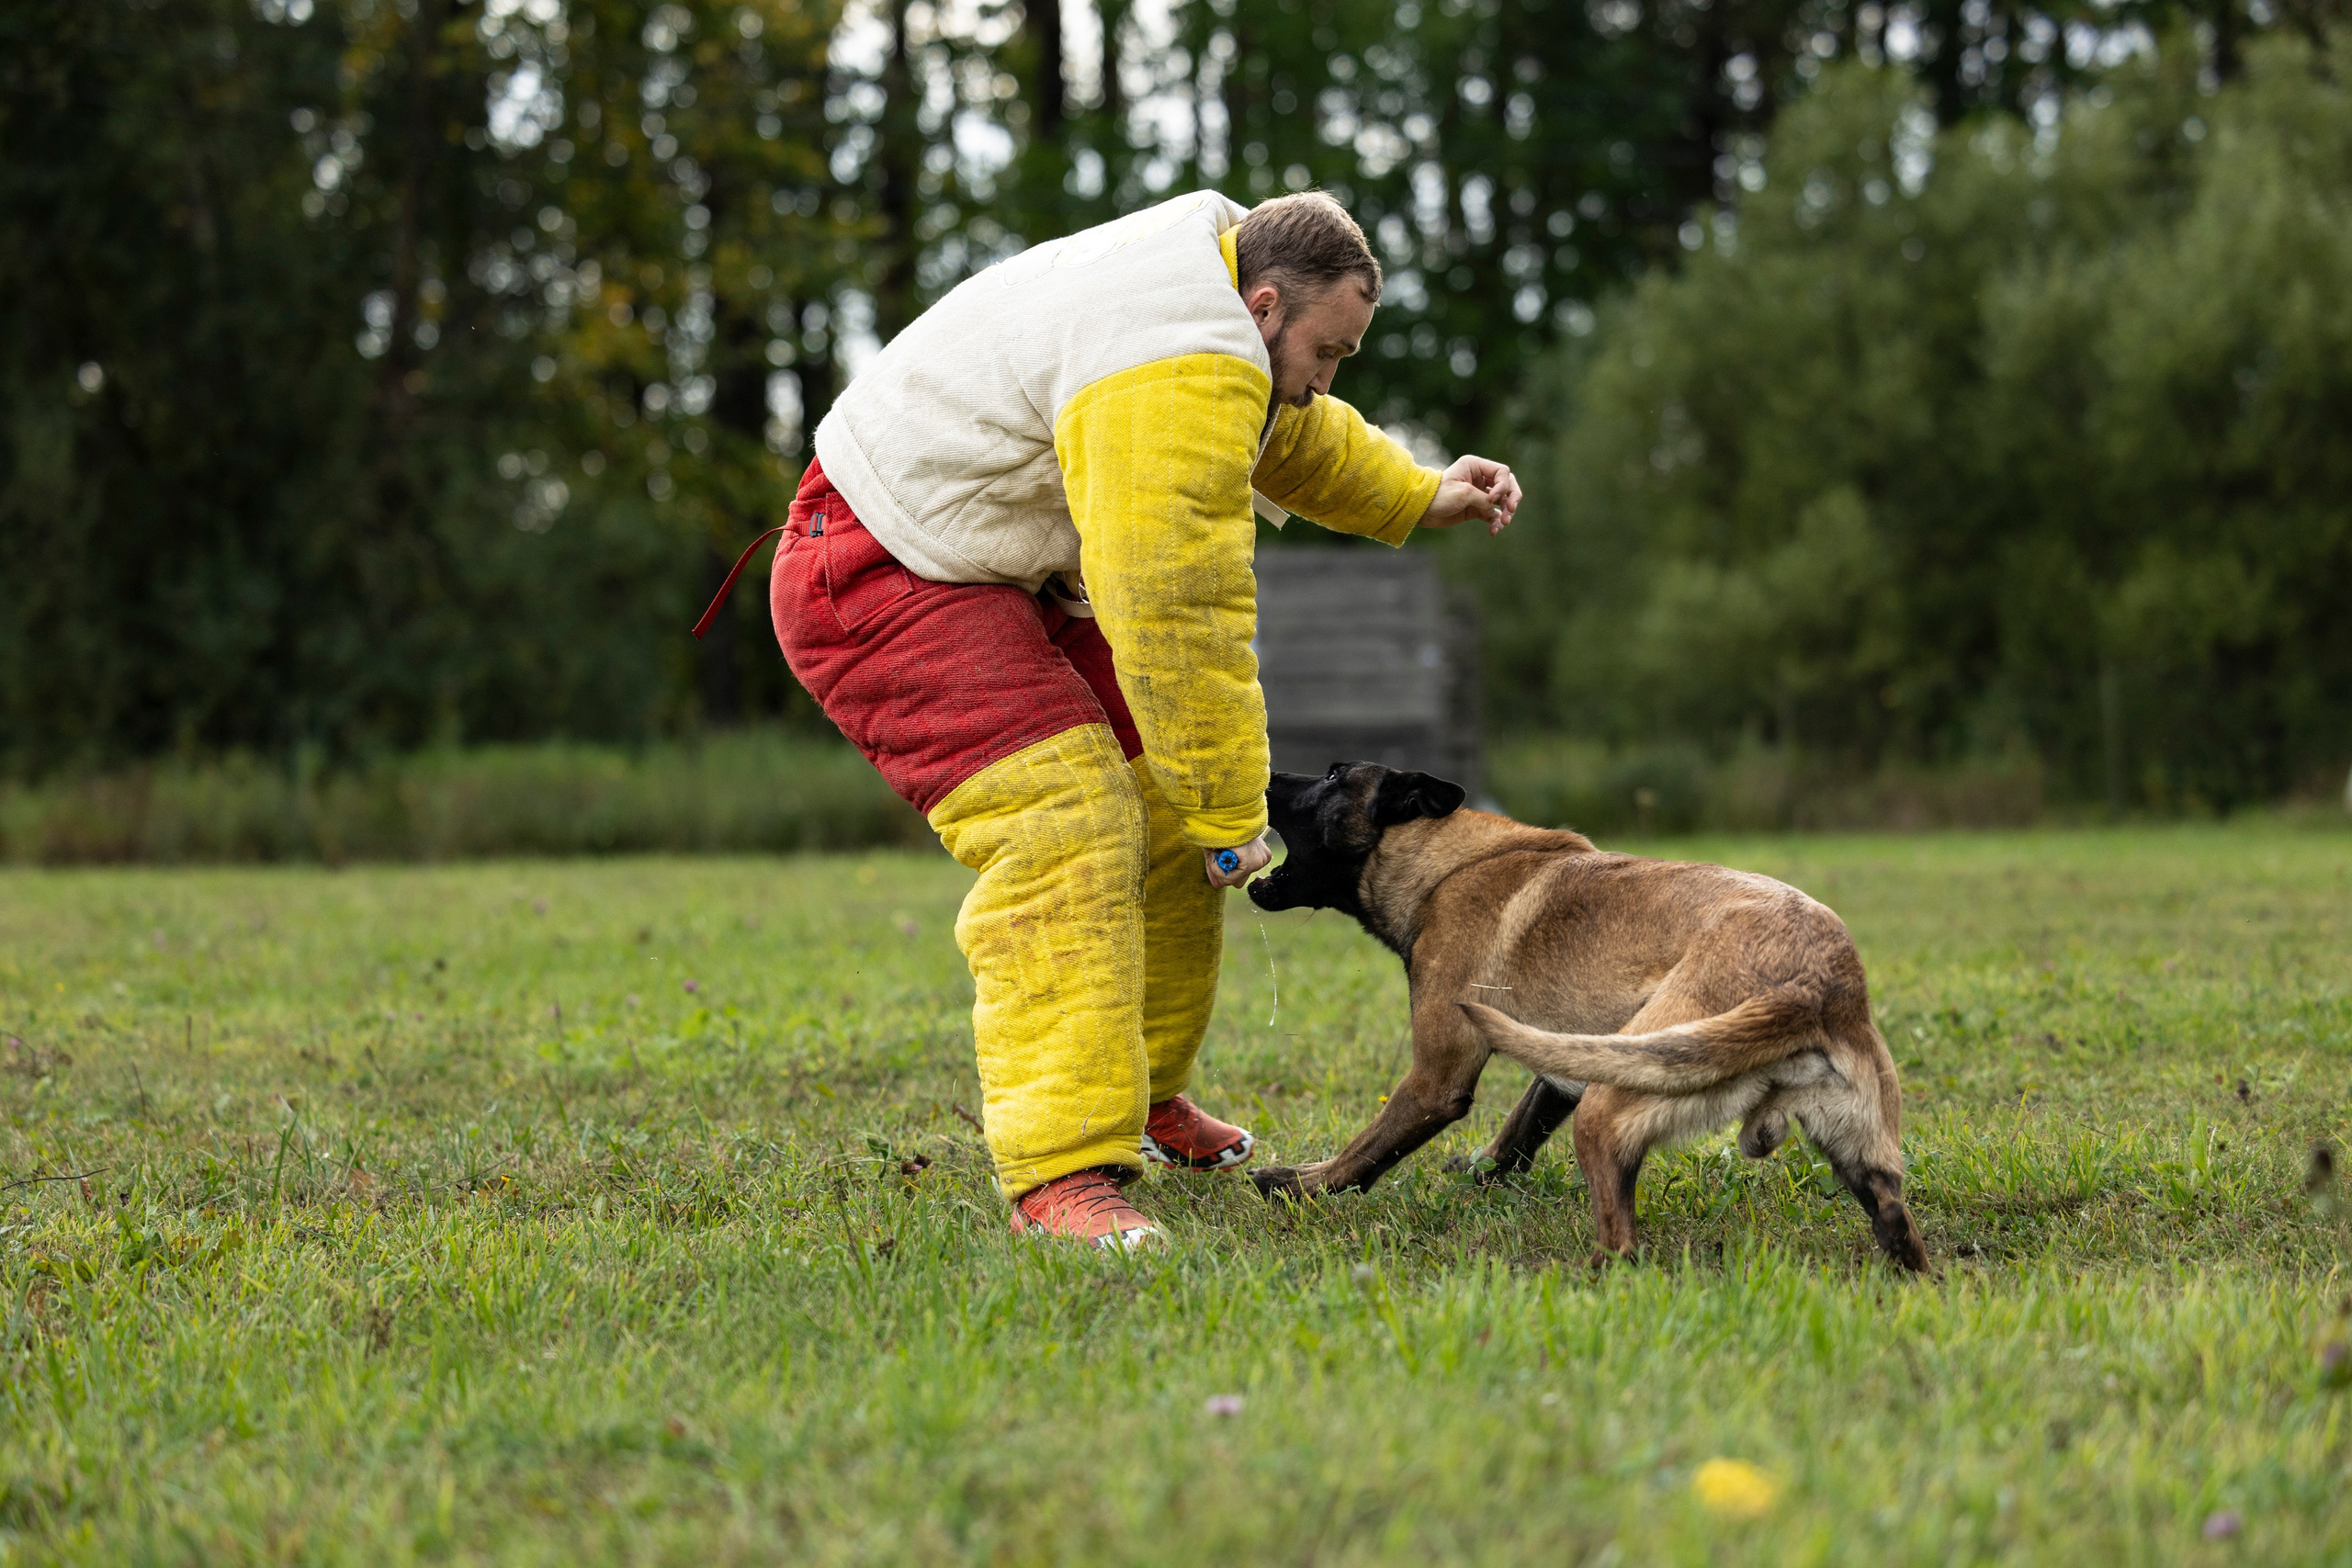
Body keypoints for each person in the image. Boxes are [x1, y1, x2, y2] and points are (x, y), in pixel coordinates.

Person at [757, 190, 1520, 1247]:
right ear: (1261, 305)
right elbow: (1173, 603)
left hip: (988, 569)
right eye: (1329, 353)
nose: (1327, 379)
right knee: (1066, 822)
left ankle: (1143, 1098)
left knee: (1168, 810)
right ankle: (1061, 1173)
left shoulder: (1209, 295)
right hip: (875, 570)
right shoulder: (1177, 356)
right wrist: (1228, 808)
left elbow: (1276, 423)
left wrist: (1418, 491)